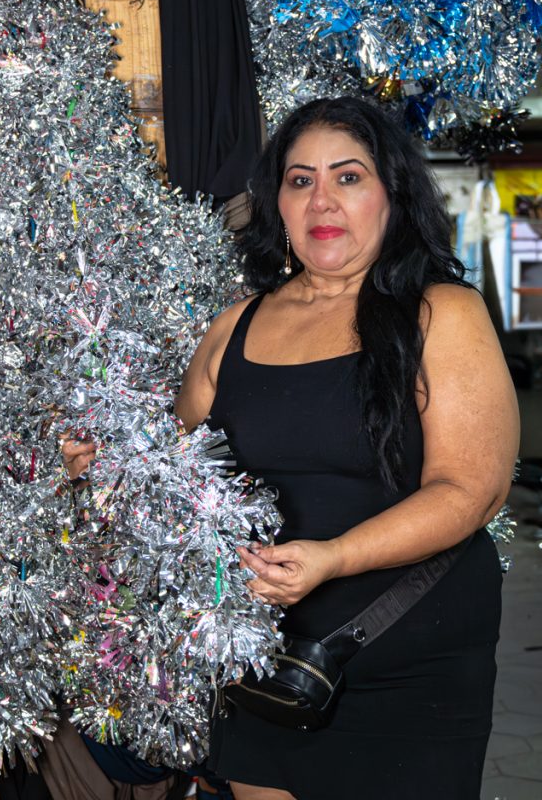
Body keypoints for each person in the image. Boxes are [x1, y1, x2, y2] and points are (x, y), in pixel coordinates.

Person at [172, 97, 519, 800]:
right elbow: (171, 476)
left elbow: (472, 488)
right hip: (264, 658)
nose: (321, 199)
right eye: (300, 180)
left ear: (392, 192)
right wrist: (101, 465)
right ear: (277, 201)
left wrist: (332, 558)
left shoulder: (441, 312)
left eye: (348, 177)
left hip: (406, 655)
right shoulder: (235, 325)